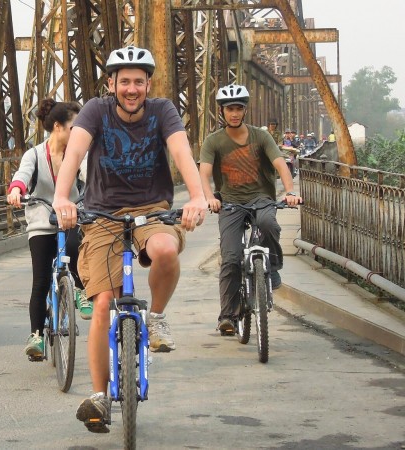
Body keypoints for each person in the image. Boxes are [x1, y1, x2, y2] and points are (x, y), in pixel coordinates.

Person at [51, 45, 208, 433]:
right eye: (125, 82)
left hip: (152, 207)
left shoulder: (162, 111)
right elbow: (74, 153)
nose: (132, 89)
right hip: (103, 211)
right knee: (103, 302)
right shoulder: (95, 110)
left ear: (148, 85)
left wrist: (199, 196)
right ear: (112, 84)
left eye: (139, 81)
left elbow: (181, 152)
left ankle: (155, 317)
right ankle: (100, 397)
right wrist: (61, 197)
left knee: (166, 250)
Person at [197, 84, 302, 335]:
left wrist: (290, 192)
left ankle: (272, 268)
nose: (234, 113)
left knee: (268, 225)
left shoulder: (260, 136)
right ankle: (228, 317)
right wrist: (210, 197)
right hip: (231, 203)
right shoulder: (214, 141)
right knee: (231, 257)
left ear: (245, 110)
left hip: (261, 198)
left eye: (239, 109)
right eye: (229, 109)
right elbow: (204, 172)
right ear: (222, 111)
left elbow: (280, 164)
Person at [6, 97, 90, 361]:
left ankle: (78, 289)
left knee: (77, 247)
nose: (79, 133)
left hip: (70, 216)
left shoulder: (79, 153)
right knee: (41, 280)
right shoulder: (34, 155)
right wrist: (17, 189)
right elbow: (22, 174)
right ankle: (37, 336)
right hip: (42, 219)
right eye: (74, 127)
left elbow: (90, 174)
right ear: (58, 127)